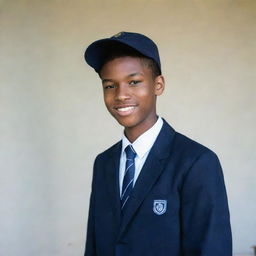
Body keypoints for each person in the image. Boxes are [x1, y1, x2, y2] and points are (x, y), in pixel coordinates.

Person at [83, 31, 232, 256]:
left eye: (134, 82)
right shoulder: (103, 163)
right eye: (110, 86)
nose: (121, 95)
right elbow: (94, 247)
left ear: (158, 85)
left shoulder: (196, 162)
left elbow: (211, 249)